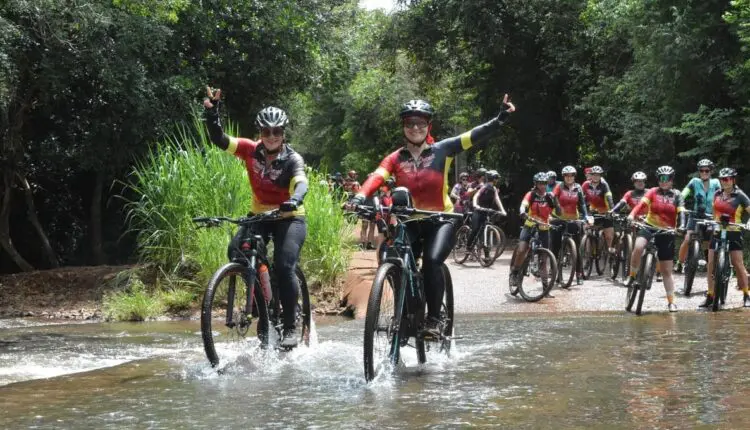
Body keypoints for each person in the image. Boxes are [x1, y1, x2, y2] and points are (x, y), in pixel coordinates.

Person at [347, 95, 516, 333]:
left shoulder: (442, 150)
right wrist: (359, 196)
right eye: (409, 123)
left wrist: (499, 119)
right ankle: (404, 313)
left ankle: (435, 319)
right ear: (403, 127)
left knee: (432, 261)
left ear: (429, 126)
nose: (415, 128)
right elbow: (377, 176)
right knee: (392, 258)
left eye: (420, 123)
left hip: (440, 220)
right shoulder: (395, 158)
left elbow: (472, 136)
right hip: (410, 221)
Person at [203, 87, 307, 348]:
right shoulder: (249, 150)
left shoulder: (293, 159)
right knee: (236, 250)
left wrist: (294, 199)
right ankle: (263, 302)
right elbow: (220, 139)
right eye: (266, 132)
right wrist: (212, 113)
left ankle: (292, 323)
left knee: (284, 266)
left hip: (289, 216)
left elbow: (301, 183)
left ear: (283, 134)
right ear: (260, 133)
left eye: (277, 132)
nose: (271, 137)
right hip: (259, 214)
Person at [627, 166, 686, 312]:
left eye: (667, 178)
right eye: (661, 178)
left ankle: (671, 302)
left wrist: (682, 226)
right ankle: (632, 275)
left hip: (667, 231)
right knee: (638, 247)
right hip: (649, 226)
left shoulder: (677, 195)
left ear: (672, 180)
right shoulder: (653, 191)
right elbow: (641, 205)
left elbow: (682, 212)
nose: (664, 181)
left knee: (666, 271)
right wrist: (631, 215)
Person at [700, 168, 750, 308]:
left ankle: (746, 294)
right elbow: (714, 211)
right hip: (717, 231)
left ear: (733, 180)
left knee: (738, 264)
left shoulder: (740, 195)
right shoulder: (717, 193)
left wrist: (748, 224)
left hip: (734, 231)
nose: (724, 182)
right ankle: (710, 295)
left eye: (727, 179)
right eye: (722, 179)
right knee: (710, 264)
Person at [511, 172, 562, 292]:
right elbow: (523, 204)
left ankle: (545, 288)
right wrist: (522, 211)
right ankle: (515, 272)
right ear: (535, 184)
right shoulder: (531, 194)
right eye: (540, 183)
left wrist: (556, 201)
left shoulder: (550, 196)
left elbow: (559, 213)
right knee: (522, 249)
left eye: (544, 183)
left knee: (544, 258)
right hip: (530, 225)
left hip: (544, 228)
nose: (542, 186)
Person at [675, 159, 721, 273]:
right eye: (702, 170)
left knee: (707, 242)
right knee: (688, 238)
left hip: (710, 216)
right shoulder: (694, 181)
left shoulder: (715, 183)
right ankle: (679, 263)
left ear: (711, 171)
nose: (704, 173)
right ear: (699, 171)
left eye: (707, 170)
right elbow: (684, 193)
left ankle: (709, 265)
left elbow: (721, 196)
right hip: (695, 215)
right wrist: (679, 202)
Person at [551, 165, 592, 285]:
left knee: (578, 248)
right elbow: (553, 198)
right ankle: (554, 274)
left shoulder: (578, 187)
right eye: (567, 176)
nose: (569, 178)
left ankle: (578, 274)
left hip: (574, 219)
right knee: (555, 247)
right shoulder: (559, 187)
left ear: (574, 176)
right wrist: (553, 211)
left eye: (571, 176)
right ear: (563, 177)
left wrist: (585, 216)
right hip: (558, 219)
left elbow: (582, 204)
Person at [467, 170, 508, 249]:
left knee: (486, 232)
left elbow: (497, 199)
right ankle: (468, 246)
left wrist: (503, 210)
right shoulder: (484, 187)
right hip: (479, 210)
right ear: (492, 178)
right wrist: (475, 205)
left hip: (487, 211)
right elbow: (476, 196)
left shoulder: (494, 189)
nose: (497, 180)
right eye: (496, 178)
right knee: (475, 229)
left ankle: (487, 256)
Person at [582, 165, 615, 254]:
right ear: (591, 175)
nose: (596, 177)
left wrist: (612, 210)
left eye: (598, 175)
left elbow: (609, 198)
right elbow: (581, 199)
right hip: (593, 212)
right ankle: (589, 255)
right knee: (588, 232)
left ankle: (610, 254)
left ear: (601, 176)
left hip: (606, 212)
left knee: (609, 236)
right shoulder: (586, 185)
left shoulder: (604, 185)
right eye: (594, 175)